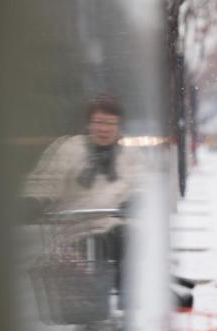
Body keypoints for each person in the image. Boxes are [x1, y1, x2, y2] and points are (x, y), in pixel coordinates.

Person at [22, 93, 144, 300]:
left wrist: (135, 201)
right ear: (88, 124)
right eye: (98, 122)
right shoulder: (69, 149)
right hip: (74, 233)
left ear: (118, 127)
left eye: (110, 123)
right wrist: (33, 201)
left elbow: (140, 184)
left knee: (125, 241)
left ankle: (124, 298)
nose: (104, 129)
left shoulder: (129, 157)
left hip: (112, 232)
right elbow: (47, 180)